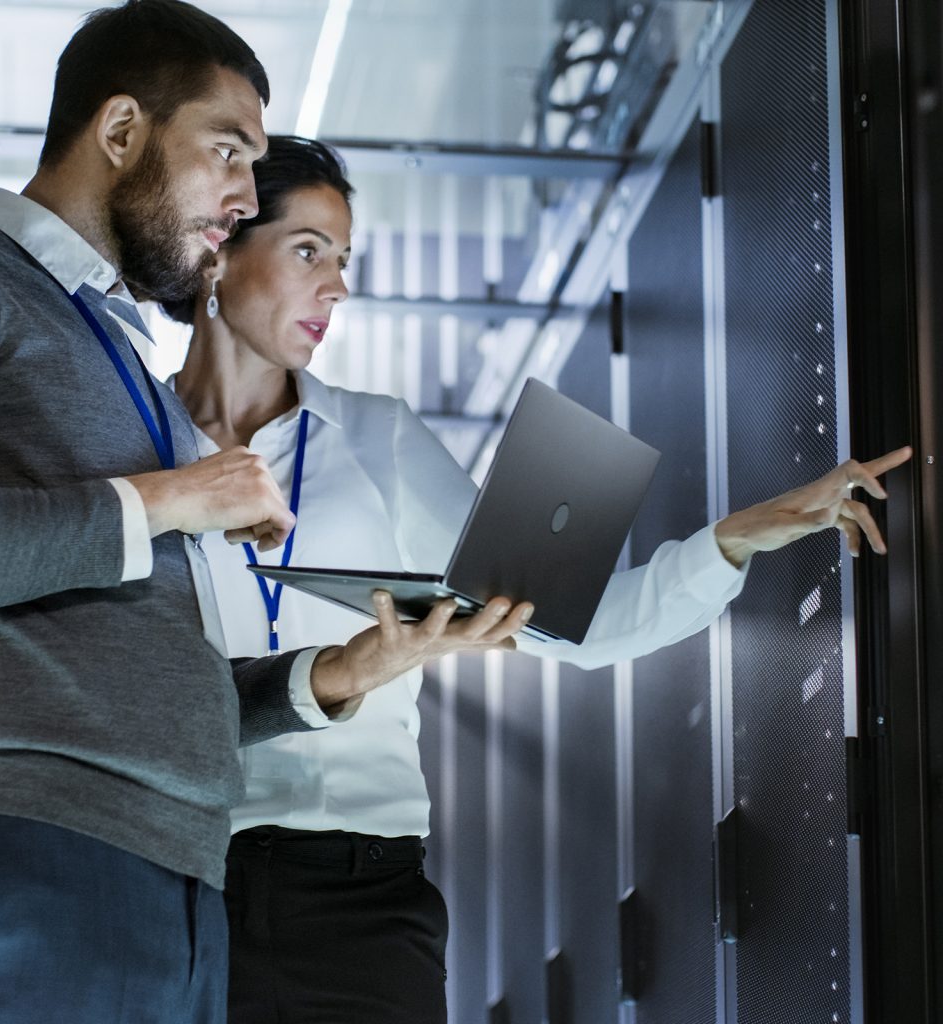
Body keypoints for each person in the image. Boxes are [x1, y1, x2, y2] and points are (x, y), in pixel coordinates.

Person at [166, 134, 912, 1024]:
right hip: (178, 882)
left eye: (345, 260)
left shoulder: (380, 440)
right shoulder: (133, 447)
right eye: (307, 251)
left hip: (360, 897)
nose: (338, 286)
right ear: (222, 248)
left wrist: (734, 541)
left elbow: (573, 626)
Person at [0, 7, 532, 1024]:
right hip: (40, 855)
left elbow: (158, 671)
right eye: (227, 151)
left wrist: (336, 675)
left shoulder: (131, 372)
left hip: (185, 888)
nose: (242, 194)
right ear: (121, 133)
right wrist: (174, 497)